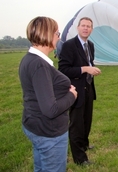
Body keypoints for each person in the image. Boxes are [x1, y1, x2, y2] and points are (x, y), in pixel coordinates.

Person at [19, 16, 78, 171]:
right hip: (49, 132)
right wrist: (71, 96)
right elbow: (50, 109)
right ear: (47, 34)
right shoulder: (39, 65)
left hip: (36, 126)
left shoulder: (30, 59)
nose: (58, 36)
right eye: (57, 33)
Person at [58, 17, 101, 165]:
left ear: (91, 29)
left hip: (88, 87)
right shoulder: (69, 45)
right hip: (75, 90)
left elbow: (89, 62)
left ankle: (84, 144)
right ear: (78, 27)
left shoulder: (91, 45)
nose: (86, 28)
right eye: (83, 25)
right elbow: (63, 69)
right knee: (76, 124)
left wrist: (91, 70)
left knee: (87, 120)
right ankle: (80, 159)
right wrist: (85, 69)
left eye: (89, 26)